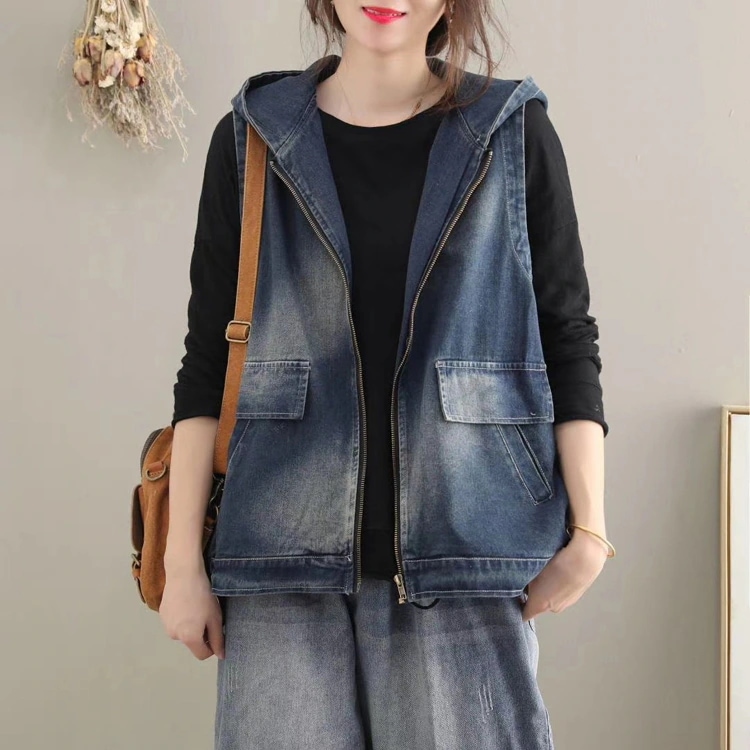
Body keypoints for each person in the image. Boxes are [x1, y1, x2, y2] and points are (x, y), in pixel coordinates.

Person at [158, 1, 613, 747]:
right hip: (278, 559)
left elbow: (567, 338)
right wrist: (181, 564)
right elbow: (209, 358)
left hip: (464, 553)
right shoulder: (254, 135)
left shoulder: (511, 131)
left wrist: (590, 530)